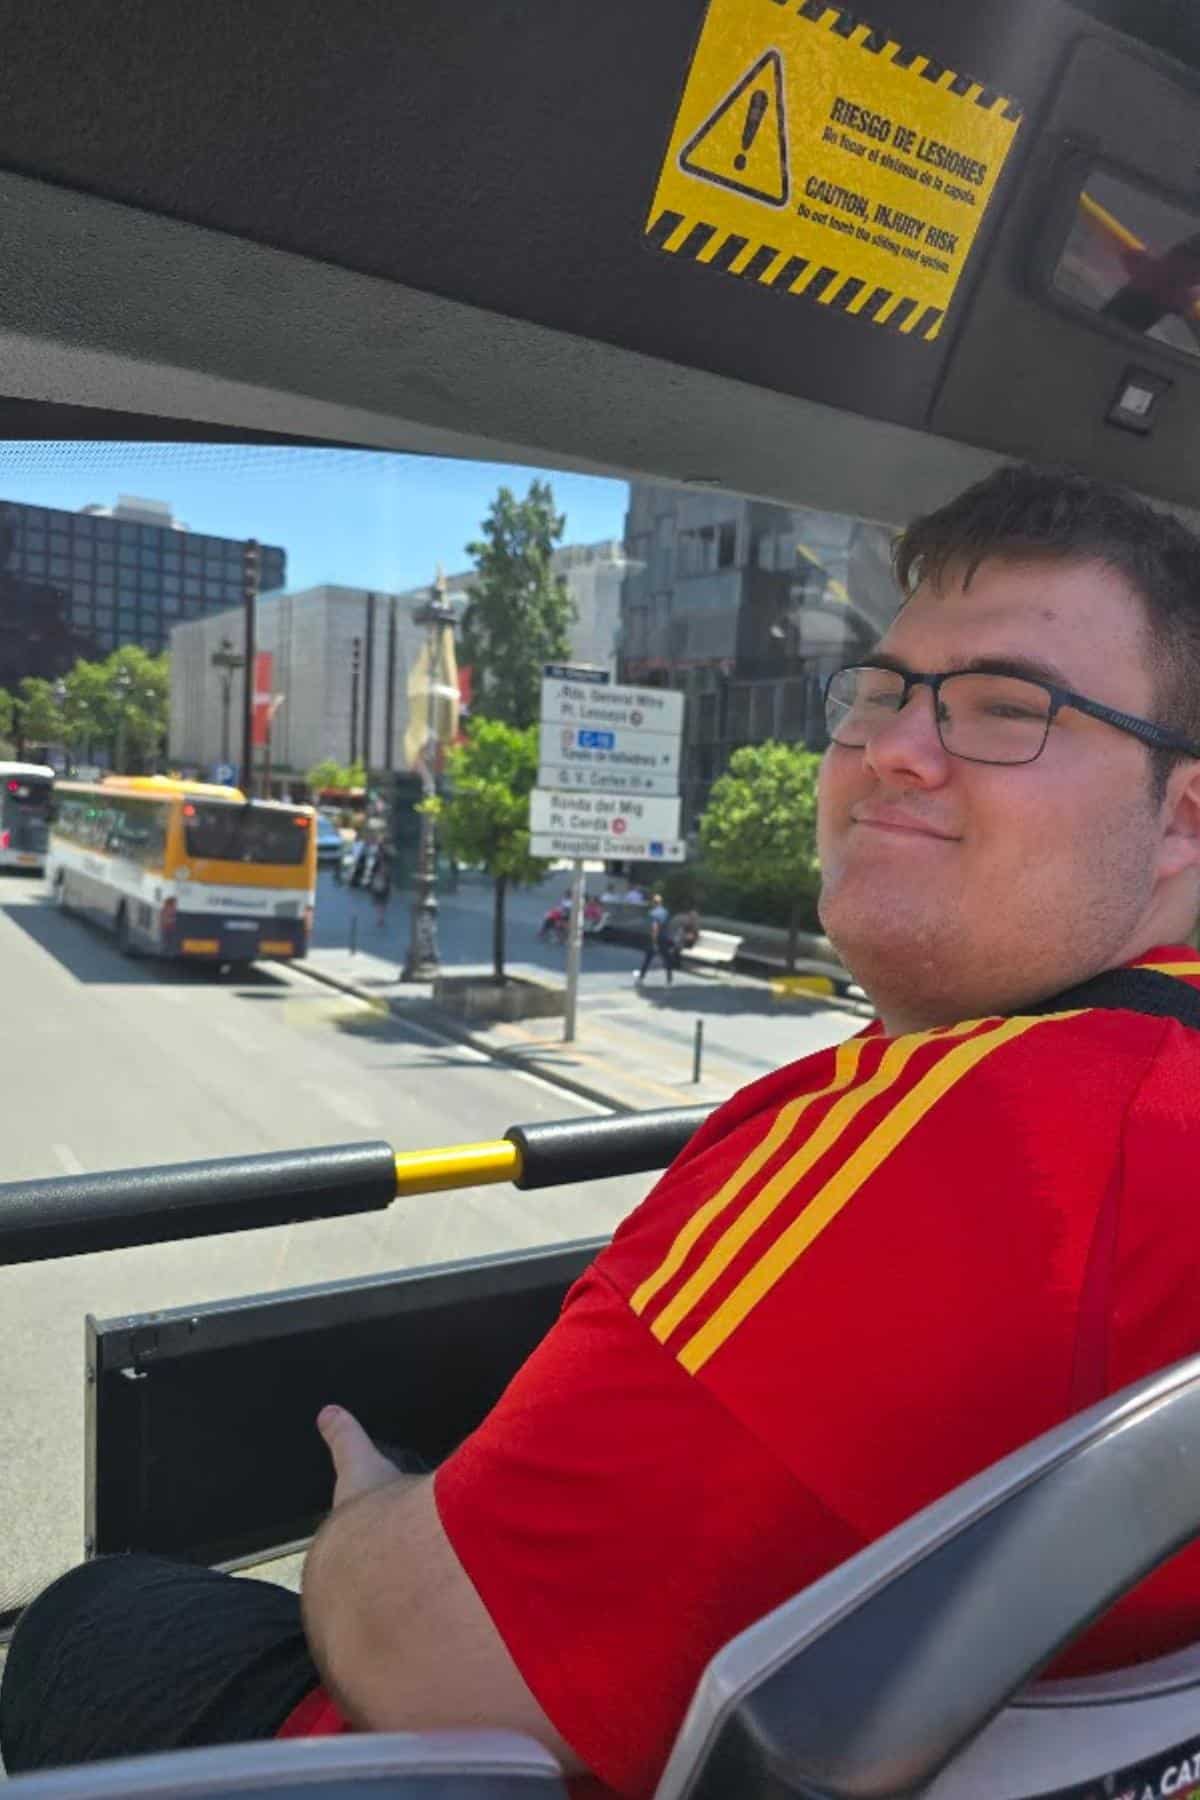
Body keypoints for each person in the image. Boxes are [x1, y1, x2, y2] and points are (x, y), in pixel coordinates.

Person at [12, 464, 1200, 1798]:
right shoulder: (1152, 1098)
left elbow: (425, 1661)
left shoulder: (981, 1119)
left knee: (86, 1620)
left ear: (1180, 820)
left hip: (414, 1755)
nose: (894, 750)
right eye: (879, 693)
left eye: (1006, 709)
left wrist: (358, 1522)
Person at [635, 893, 674, 985]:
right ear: (661, 903)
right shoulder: (665, 912)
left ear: (653, 903)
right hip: (664, 938)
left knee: (648, 959)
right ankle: (669, 979)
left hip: (656, 938)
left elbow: (654, 928)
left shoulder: (652, 913)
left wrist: (654, 942)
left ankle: (641, 978)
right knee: (667, 958)